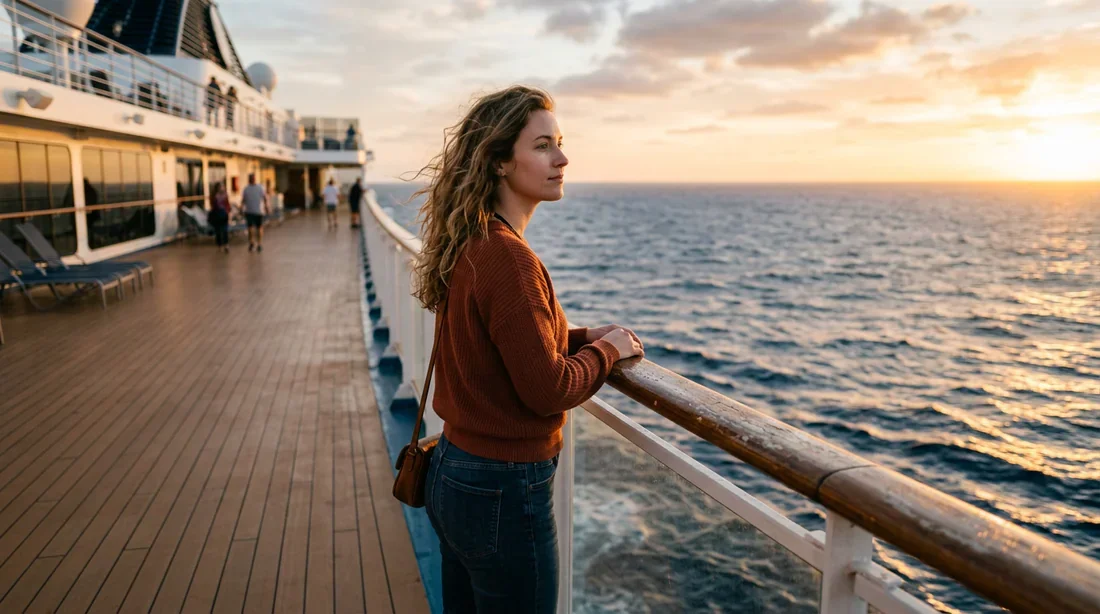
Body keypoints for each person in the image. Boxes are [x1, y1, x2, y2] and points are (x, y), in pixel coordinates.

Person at [412, 85, 644, 614]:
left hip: (454, 471)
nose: (562, 158)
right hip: (501, 486)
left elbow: (502, 342)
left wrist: (581, 338)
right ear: (498, 162)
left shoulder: (473, 241)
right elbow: (547, 389)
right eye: (543, 145)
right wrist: (608, 352)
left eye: (559, 143)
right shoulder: (509, 258)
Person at [241, 173, 269, 252]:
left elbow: (264, 198)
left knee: (259, 228)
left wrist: (266, 207)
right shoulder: (246, 189)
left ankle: (259, 243)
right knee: (250, 228)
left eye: (253, 178)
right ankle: (251, 242)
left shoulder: (260, 188)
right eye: (251, 178)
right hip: (249, 211)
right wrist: (241, 207)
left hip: (258, 211)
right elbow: (243, 199)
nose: (252, 179)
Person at [209, 182, 231, 253]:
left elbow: (227, 204)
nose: (222, 188)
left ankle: (226, 245)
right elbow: (212, 205)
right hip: (217, 214)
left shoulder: (225, 195)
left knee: (224, 230)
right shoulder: (214, 195)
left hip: (224, 214)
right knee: (218, 231)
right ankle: (220, 246)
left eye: (222, 186)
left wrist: (228, 212)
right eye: (220, 186)